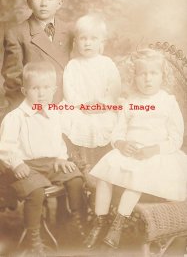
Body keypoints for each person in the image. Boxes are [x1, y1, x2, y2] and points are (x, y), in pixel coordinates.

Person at [84, 48, 187, 250]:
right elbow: (118, 132)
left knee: (138, 177)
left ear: (162, 76)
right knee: (105, 174)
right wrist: (121, 144)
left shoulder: (167, 102)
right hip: (130, 152)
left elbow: (176, 139)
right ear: (135, 76)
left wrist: (155, 149)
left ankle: (118, 224)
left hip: (157, 155)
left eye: (153, 73)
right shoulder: (130, 102)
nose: (147, 79)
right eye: (142, 74)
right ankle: (100, 220)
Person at [0, 61, 85, 256]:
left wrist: (61, 158)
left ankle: (77, 223)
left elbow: (58, 141)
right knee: (36, 191)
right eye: (35, 88)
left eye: (46, 88)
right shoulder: (16, 117)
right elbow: (5, 147)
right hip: (26, 166)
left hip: (51, 163)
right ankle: (34, 236)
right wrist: (17, 163)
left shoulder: (54, 113)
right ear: (24, 90)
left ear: (54, 90)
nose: (41, 93)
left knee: (76, 179)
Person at [2, 0, 73, 113]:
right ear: (28, 2)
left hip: (66, 106)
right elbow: (13, 81)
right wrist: (27, 112)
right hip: (34, 109)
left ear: (60, 3)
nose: (44, 3)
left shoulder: (70, 31)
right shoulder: (17, 33)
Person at [61, 14, 121, 175]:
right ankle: (81, 166)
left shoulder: (107, 63)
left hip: (102, 108)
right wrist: (81, 104)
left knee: (105, 124)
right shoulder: (73, 65)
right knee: (68, 120)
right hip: (79, 108)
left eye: (93, 38)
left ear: (102, 42)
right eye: (83, 38)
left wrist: (103, 103)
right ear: (75, 42)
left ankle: (103, 171)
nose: (87, 43)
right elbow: (69, 91)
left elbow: (114, 89)